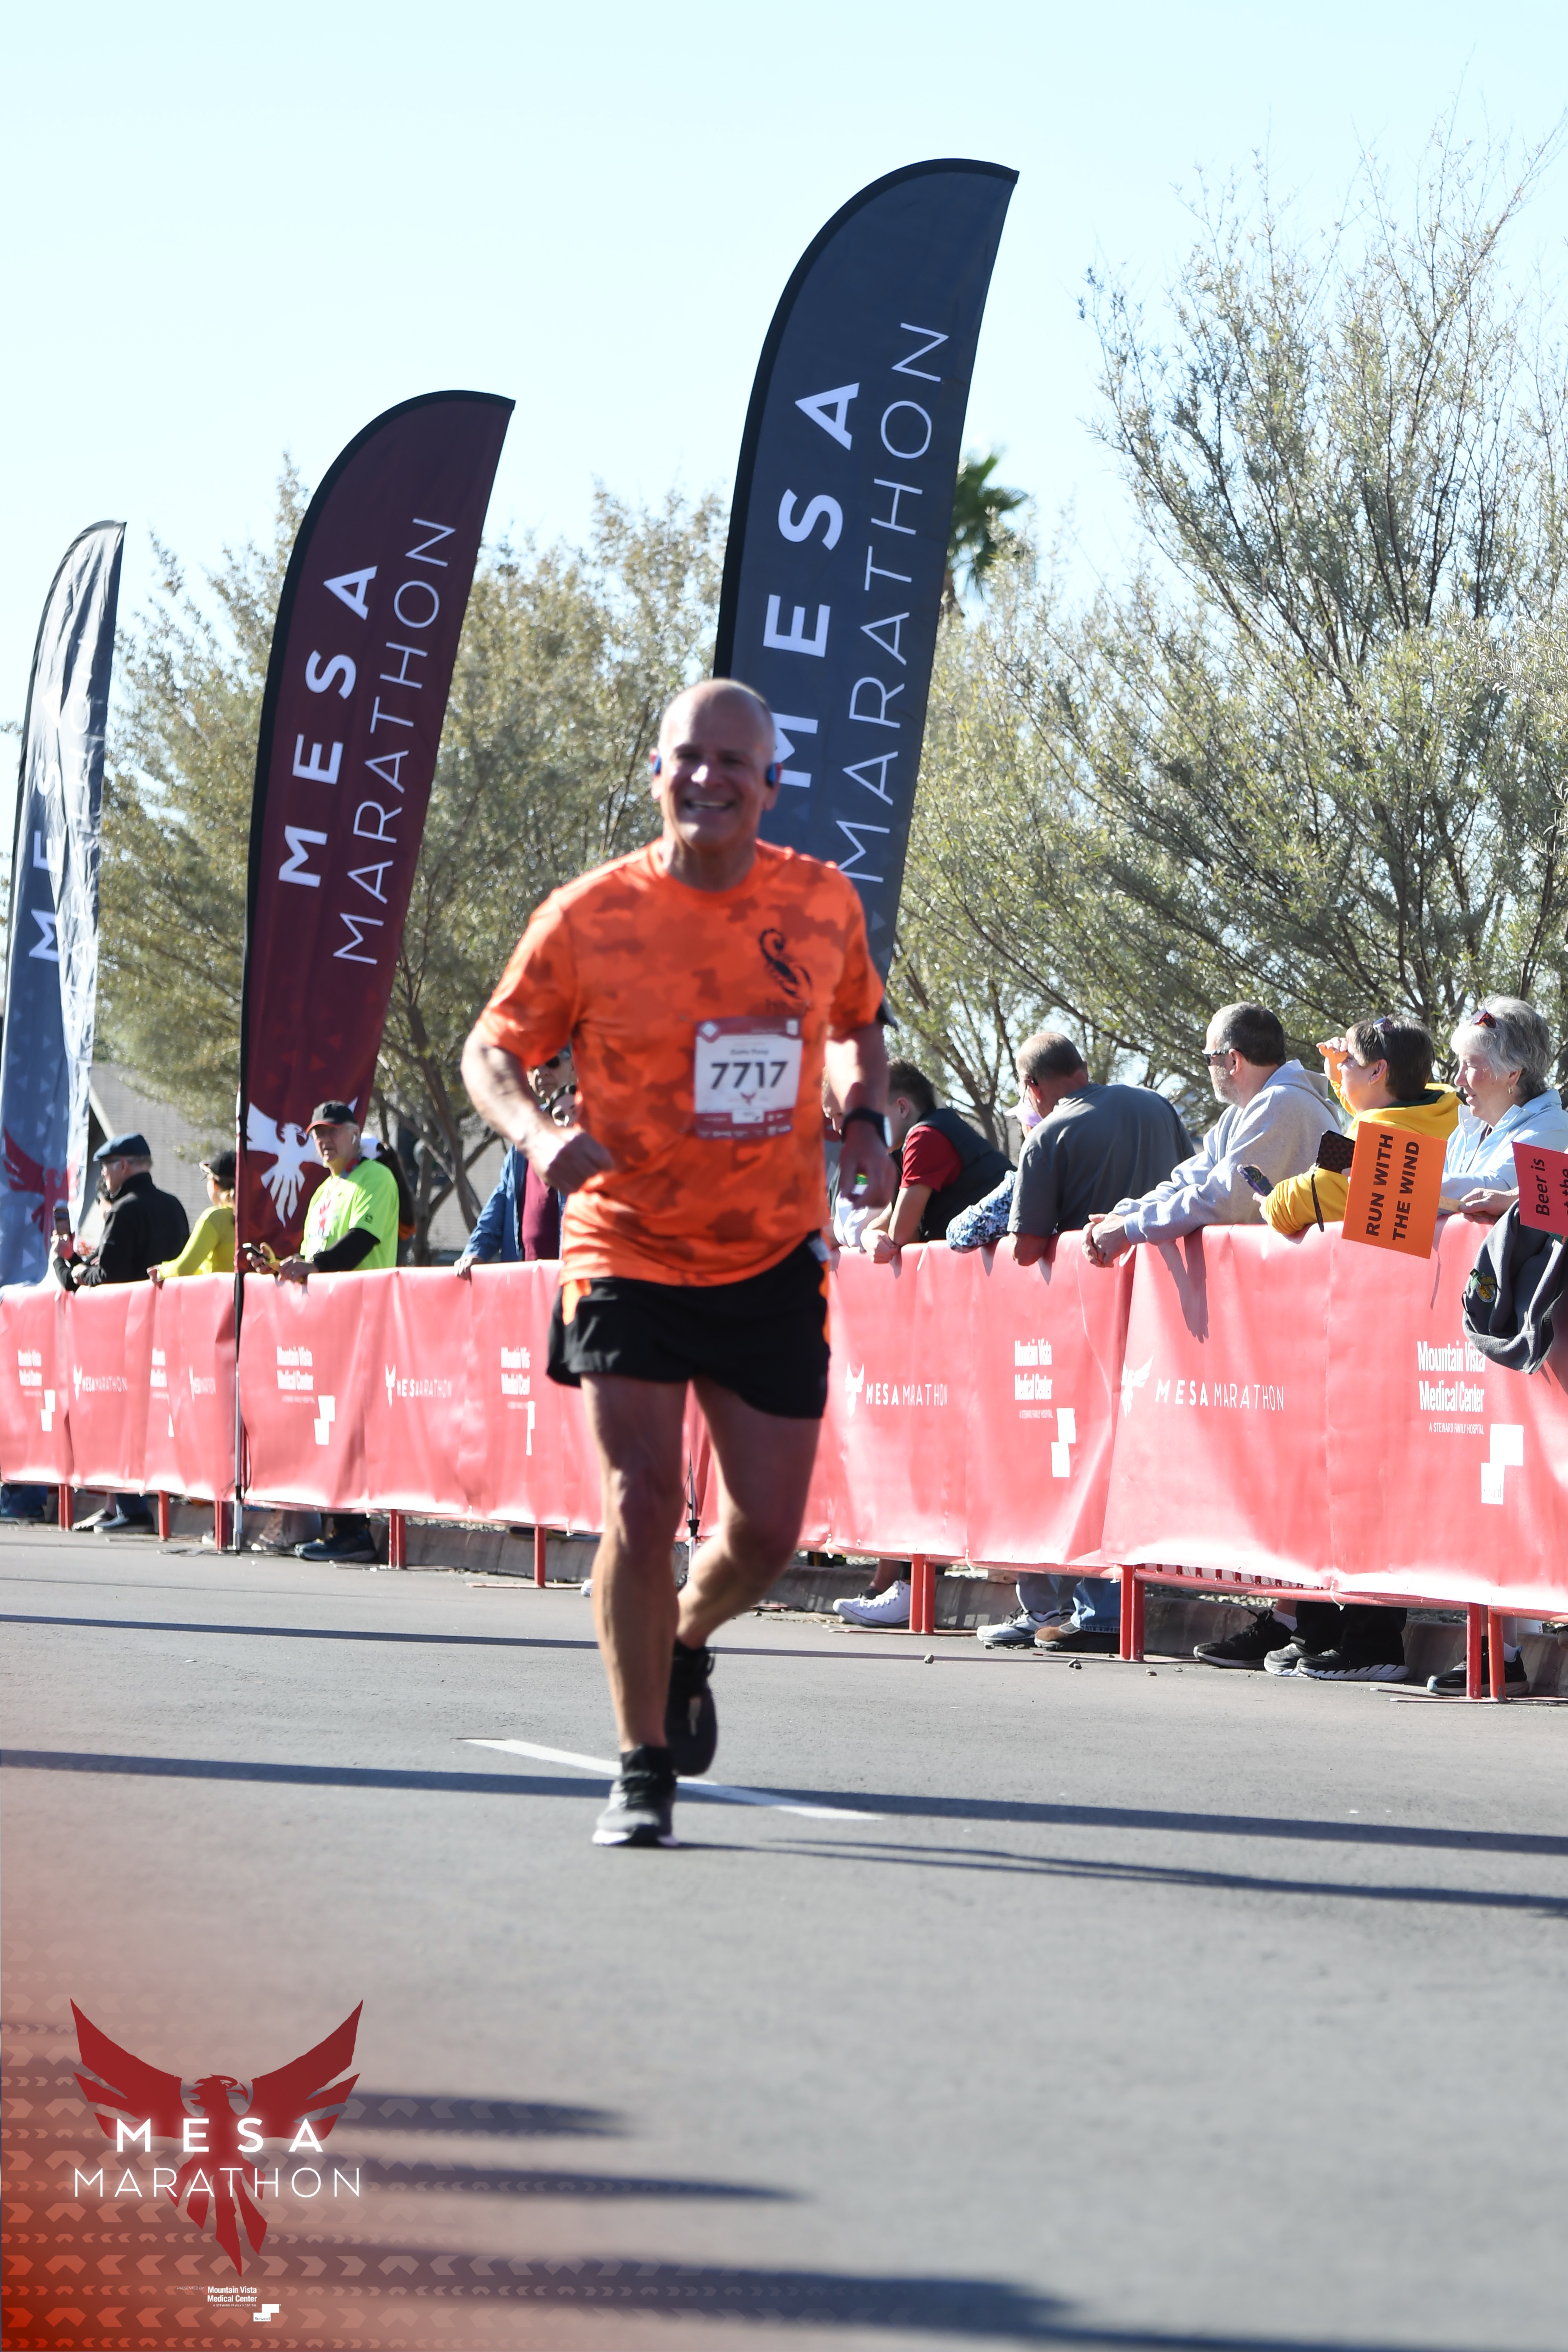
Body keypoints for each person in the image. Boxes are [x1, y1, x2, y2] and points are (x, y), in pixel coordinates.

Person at [460, 677, 893, 1848]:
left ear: (771, 783)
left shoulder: (819, 901)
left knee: (766, 1536)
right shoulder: (590, 914)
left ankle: (687, 1637)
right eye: (686, 758)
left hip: (768, 1252)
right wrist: (538, 1136)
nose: (707, 778)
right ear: (657, 773)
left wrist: (863, 1115)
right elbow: (491, 1048)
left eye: (731, 761)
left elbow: (858, 1023)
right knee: (640, 1500)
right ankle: (640, 1762)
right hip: (626, 1245)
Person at [1255, 1016, 1459, 1683]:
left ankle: (1373, 1642)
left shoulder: (1387, 1136)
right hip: (1396, 1336)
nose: (1339, 1069)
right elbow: (1349, 1154)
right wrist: (1349, 1083)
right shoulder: (1435, 1116)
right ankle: (1347, 1631)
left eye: (1351, 1063)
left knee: (1371, 1490)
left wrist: (1272, 1198)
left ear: (1379, 1072)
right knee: (1360, 1487)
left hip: (1378, 1342)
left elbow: (1304, 1197)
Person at [241, 1102, 401, 1566]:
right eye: (317, 1134)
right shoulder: (324, 1190)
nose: (323, 1141)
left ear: (355, 1133)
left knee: (350, 1429)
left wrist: (311, 1265)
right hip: (325, 1325)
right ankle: (340, 1529)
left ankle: (355, 1532)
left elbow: (359, 1244)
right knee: (330, 1428)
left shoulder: (376, 1178)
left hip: (362, 1321)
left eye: (332, 1131)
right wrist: (277, 1266)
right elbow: (314, 1256)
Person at [1081, 1003, 1336, 1269]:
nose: (1209, 1067)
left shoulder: (1282, 1102)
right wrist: (1120, 1217)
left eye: (1209, 1058)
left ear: (1234, 1061)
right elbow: (1187, 1181)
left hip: (1300, 1280)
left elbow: (1222, 1200)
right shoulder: (1242, 1112)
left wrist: (1130, 1228)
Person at [49, 1132, 190, 1533]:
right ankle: (119, 1506)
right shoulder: (173, 1205)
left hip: (123, 1335)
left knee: (118, 1420)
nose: (104, 1177)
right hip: (167, 1332)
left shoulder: (125, 1209)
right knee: (154, 1421)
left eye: (106, 1169)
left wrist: (69, 1267)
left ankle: (130, 1508)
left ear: (122, 1166)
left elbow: (107, 1276)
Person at [862, 1061, 1010, 1262]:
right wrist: (867, 1235)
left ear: (902, 1108)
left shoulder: (925, 1137)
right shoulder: (928, 1131)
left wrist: (878, 1235)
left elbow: (901, 1235)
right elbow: (890, 1218)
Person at [1438, 997, 1568, 1219]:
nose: (1459, 1079)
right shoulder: (1468, 1129)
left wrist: (1400, 1182)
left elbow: (1494, 1189)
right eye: (1460, 1064)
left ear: (1512, 1073)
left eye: (1470, 1064)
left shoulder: (1551, 1128)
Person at [456, 1049, 576, 1269]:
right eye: (533, 1067)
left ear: (574, 1066)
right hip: (523, 1275)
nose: (542, 1072)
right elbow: (504, 1196)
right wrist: (476, 1251)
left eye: (551, 1062)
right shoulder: (525, 1135)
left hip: (574, 1276)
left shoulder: (598, 1131)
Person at [154, 1149, 236, 1279]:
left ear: (214, 1184)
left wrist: (161, 1271)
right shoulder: (258, 1217)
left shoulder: (214, 1218)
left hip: (225, 1293)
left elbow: (182, 1270)